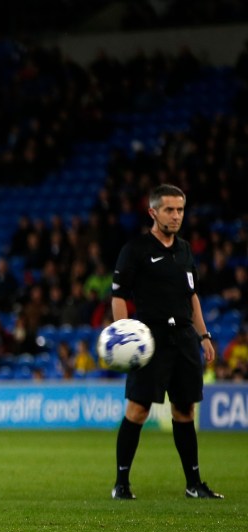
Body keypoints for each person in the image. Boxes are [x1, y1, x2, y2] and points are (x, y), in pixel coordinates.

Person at [109, 184, 223, 500]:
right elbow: (118, 295)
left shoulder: (185, 250)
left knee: (185, 410)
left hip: (184, 337)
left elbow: (192, 296)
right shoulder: (135, 250)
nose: (175, 216)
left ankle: (194, 484)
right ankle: (121, 483)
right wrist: (124, 336)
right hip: (150, 338)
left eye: (180, 210)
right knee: (138, 409)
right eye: (169, 210)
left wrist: (203, 335)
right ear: (153, 212)